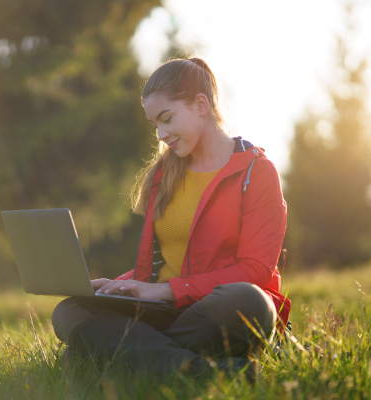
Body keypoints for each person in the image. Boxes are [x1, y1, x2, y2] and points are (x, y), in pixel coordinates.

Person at [51, 57, 290, 380]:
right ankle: (202, 371)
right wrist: (116, 286)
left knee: (250, 301)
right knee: (68, 311)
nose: (161, 134)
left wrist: (167, 292)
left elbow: (256, 270)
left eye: (167, 119)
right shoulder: (164, 173)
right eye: (155, 125)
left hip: (214, 310)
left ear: (200, 105)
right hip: (165, 311)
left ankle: (114, 352)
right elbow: (157, 267)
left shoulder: (257, 173)